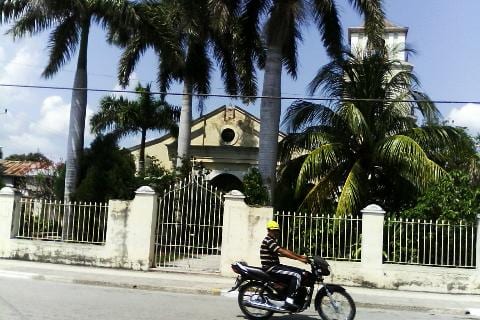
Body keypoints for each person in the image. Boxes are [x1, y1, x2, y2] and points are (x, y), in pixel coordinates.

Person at [260, 220, 308, 309]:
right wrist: (300, 259)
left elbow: (284, 251)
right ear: (269, 230)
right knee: (297, 275)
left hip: (276, 266)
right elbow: (282, 251)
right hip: (271, 268)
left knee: (300, 271)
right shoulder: (268, 240)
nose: (275, 232)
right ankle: (289, 302)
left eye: (277, 230)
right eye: (273, 230)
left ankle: (289, 294)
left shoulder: (273, 241)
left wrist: (300, 256)